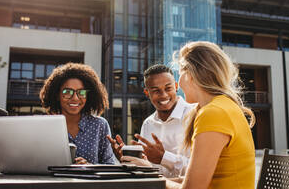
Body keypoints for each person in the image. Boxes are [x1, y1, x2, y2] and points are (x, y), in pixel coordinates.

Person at [166, 41, 256, 189]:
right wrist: (152, 176)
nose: (178, 82)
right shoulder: (223, 106)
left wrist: (155, 180)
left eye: (180, 73)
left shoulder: (213, 113)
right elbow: (196, 179)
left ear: (190, 74)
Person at [107, 64, 194, 177]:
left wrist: (164, 158)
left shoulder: (194, 114)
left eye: (168, 88)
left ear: (176, 86)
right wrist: (129, 159)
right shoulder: (148, 124)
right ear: (147, 93)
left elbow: (202, 169)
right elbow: (147, 168)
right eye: (156, 91)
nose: (163, 95)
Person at [40, 62, 114, 164]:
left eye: (81, 92)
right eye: (67, 92)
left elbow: (110, 165)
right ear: (57, 95)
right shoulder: (45, 127)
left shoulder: (100, 125)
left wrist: (90, 168)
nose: (75, 98)